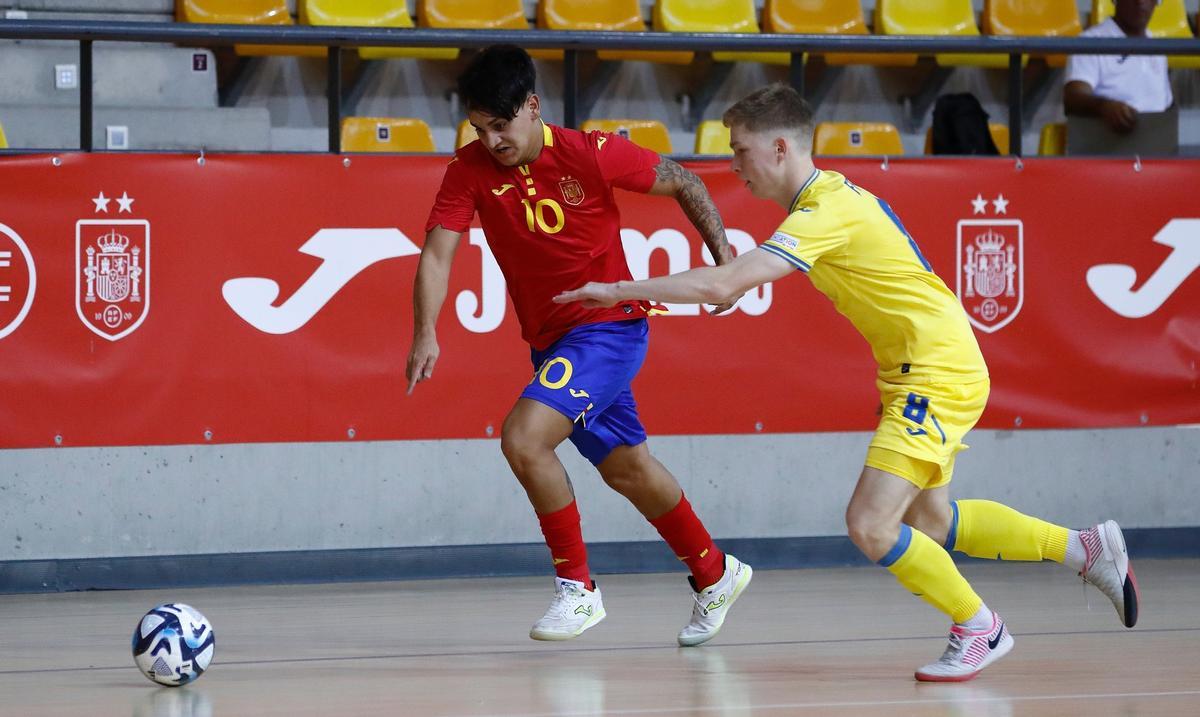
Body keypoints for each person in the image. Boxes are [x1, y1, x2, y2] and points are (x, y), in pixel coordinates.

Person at [555, 83, 1139, 681]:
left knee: (870, 523)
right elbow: (730, 279)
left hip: (935, 372)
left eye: (741, 151)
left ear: (780, 148)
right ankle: (1082, 548)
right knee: (931, 523)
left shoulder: (823, 212)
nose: (734, 165)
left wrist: (618, 290)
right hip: (930, 366)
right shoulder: (824, 203)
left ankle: (979, 628)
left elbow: (721, 285)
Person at [406, 45, 752, 646]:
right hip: (552, 341)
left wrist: (724, 259)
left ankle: (578, 589)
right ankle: (715, 573)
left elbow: (687, 182)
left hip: (609, 329)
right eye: (479, 128)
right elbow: (438, 253)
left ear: (533, 107)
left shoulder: (592, 154)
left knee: (522, 437)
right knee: (629, 469)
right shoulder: (468, 169)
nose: (491, 141)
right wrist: (425, 331)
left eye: (501, 125)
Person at [1064, 0, 1172, 134]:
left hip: (1155, 145)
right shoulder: (1089, 42)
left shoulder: (1158, 49)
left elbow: (1165, 105)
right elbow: (1073, 98)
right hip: (1105, 147)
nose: (1140, 2)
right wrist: (1104, 107)